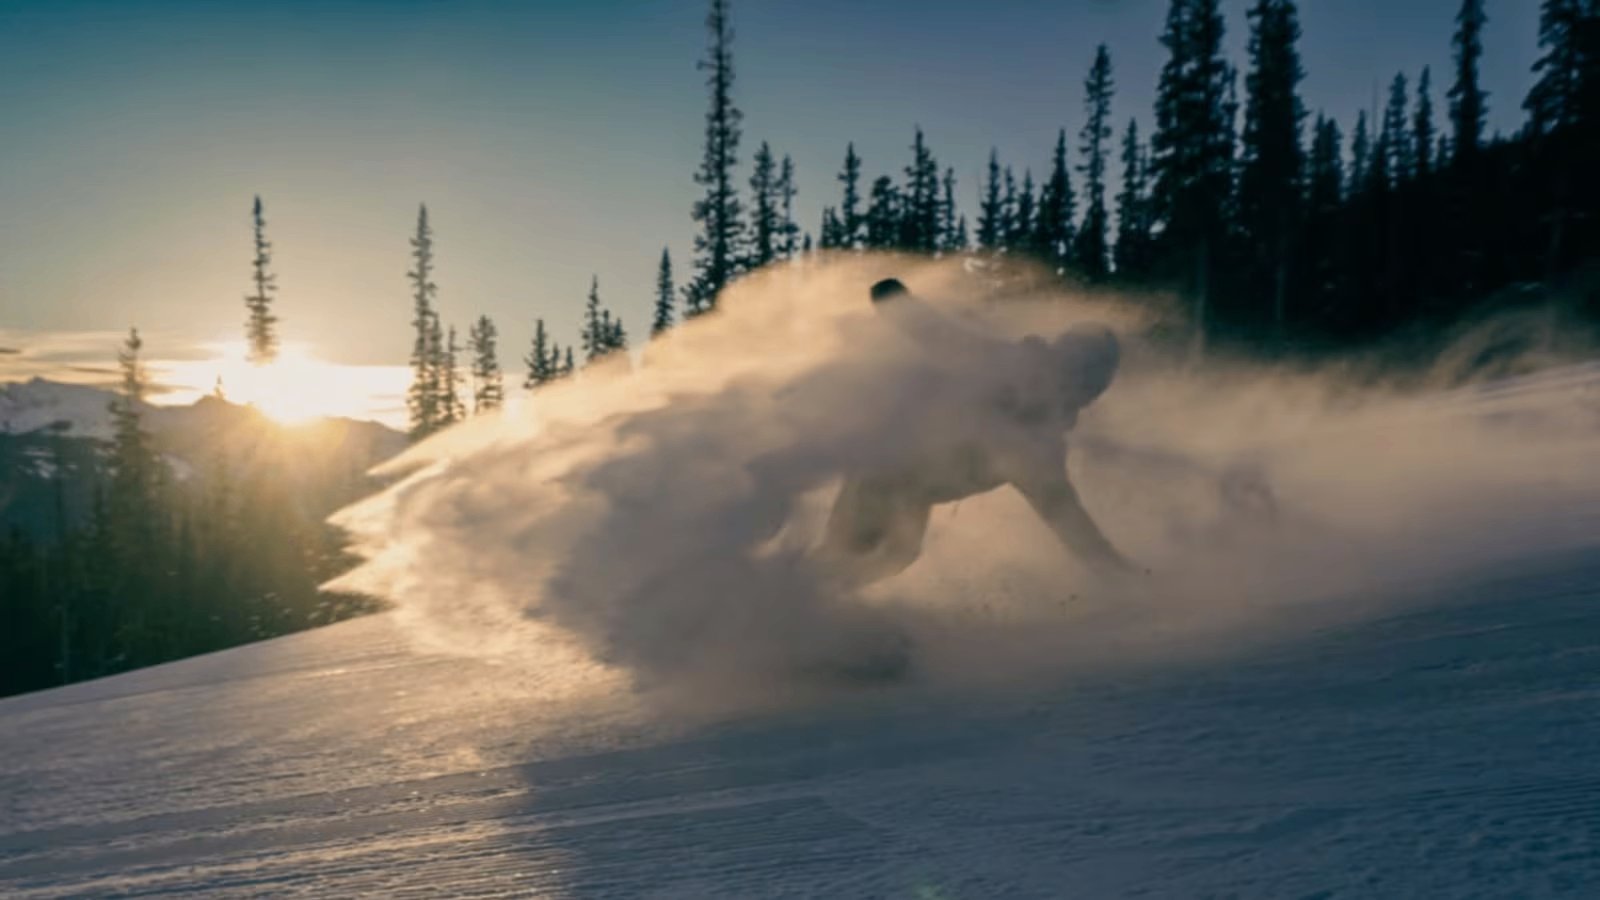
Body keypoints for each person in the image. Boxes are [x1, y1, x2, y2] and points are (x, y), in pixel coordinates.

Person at [816, 278, 1135, 585]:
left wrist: (1118, 571)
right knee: (855, 550)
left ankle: (812, 599)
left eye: (1087, 381)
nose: (1073, 385)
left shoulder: (1042, 447)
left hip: (912, 491)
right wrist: (898, 304)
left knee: (898, 555)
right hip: (885, 473)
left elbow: (1068, 519)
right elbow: (946, 338)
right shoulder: (1008, 367)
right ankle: (804, 594)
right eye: (1075, 371)